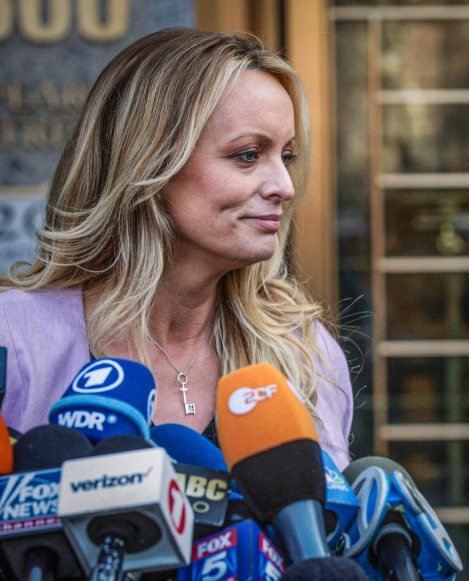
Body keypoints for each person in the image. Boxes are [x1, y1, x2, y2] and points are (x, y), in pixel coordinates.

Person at [0, 28, 353, 469]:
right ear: (149, 161)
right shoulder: (14, 341)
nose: (283, 186)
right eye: (247, 155)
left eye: (287, 156)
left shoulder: (304, 352)